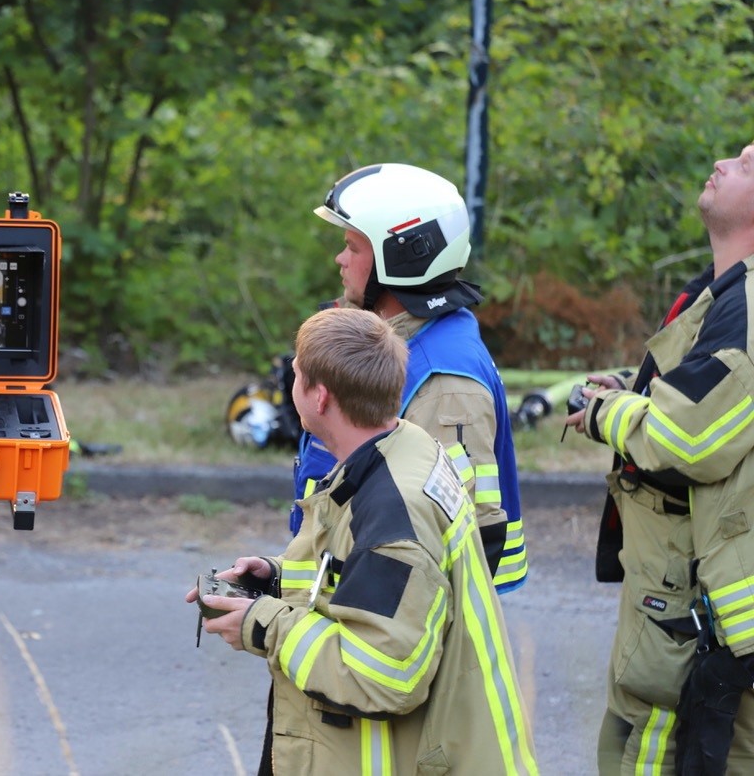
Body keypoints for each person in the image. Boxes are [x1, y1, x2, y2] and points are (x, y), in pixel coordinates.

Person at [189, 306, 538, 774]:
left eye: (296, 375)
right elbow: (361, 574)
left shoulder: (394, 513)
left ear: (320, 397)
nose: (290, 386)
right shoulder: (397, 446)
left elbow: (385, 673)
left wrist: (265, 624)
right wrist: (276, 581)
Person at [567, 143, 754, 775]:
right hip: (684, 582)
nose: (726, 163)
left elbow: (688, 439)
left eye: (749, 165)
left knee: (659, 741)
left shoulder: (750, 308)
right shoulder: (722, 294)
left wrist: (603, 415)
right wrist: (635, 391)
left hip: (700, 593)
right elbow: (699, 391)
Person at [294, 162, 528, 595]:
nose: (339, 259)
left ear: (400, 257)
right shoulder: (391, 339)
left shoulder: (443, 383)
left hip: (387, 620)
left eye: (351, 246)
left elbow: (449, 537)